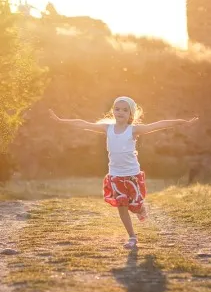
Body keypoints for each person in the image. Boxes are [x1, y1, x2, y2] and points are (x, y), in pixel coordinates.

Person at [49, 97, 198, 249]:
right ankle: (132, 237)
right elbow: (83, 124)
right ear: (113, 111)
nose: (120, 112)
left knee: (135, 207)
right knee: (122, 206)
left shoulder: (133, 130)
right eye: (117, 109)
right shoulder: (107, 128)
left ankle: (141, 209)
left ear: (131, 114)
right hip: (115, 176)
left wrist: (182, 122)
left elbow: (159, 125)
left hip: (133, 175)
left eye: (125, 110)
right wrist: (61, 121)